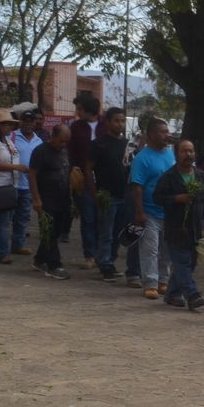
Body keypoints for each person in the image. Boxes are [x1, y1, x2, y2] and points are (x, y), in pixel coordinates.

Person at [155, 137, 204, 309]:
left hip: (195, 229)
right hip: (175, 228)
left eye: (191, 151)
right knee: (183, 262)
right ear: (176, 154)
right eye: (184, 151)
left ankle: (173, 294)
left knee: (191, 263)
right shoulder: (169, 177)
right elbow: (157, 197)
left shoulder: (201, 176)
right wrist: (176, 199)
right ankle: (192, 295)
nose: (188, 154)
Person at [130, 116, 175, 299]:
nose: (167, 135)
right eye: (163, 132)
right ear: (151, 135)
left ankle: (164, 281)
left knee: (167, 249)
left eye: (167, 132)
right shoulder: (142, 158)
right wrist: (139, 212)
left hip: (170, 212)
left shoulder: (171, 154)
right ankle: (150, 283)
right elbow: (137, 187)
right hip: (150, 212)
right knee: (150, 249)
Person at [86, 107, 130, 281]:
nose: (120, 124)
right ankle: (104, 264)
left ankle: (109, 260)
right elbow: (88, 169)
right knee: (106, 232)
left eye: (122, 120)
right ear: (108, 122)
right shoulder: (99, 144)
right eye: (116, 120)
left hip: (123, 194)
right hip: (106, 194)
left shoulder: (126, 144)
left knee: (119, 232)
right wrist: (94, 192)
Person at [27, 123, 72, 280]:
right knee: (50, 232)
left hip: (63, 198)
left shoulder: (64, 151)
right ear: (52, 136)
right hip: (46, 199)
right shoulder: (40, 152)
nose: (63, 145)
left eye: (66, 141)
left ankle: (40, 259)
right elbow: (31, 175)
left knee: (55, 232)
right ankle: (54, 265)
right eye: (61, 141)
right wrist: (36, 198)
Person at [0, 109, 27, 264]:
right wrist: (16, 168)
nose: (9, 127)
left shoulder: (7, 141)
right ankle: (3, 252)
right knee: (2, 222)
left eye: (10, 124)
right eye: (5, 124)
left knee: (2, 220)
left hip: (10, 185)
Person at [66, 94, 102, 267]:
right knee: (87, 217)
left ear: (89, 110)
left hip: (103, 179)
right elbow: (70, 151)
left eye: (79, 108)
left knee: (101, 218)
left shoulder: (106, 126)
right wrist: (71, 169)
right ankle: (90, 255)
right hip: (82, 178)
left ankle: (102, 252)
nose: (77, 112)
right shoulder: (76, 127)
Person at [8, 105, 44, 256]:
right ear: (20, 122)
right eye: (26, 121)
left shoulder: (39, 141)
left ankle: (18, 244)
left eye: (31, 121)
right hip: (12, 182)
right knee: (7, 216)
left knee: (23, 216)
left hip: (28, 184)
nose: (28, 124)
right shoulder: (12, 137)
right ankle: (1, 244)